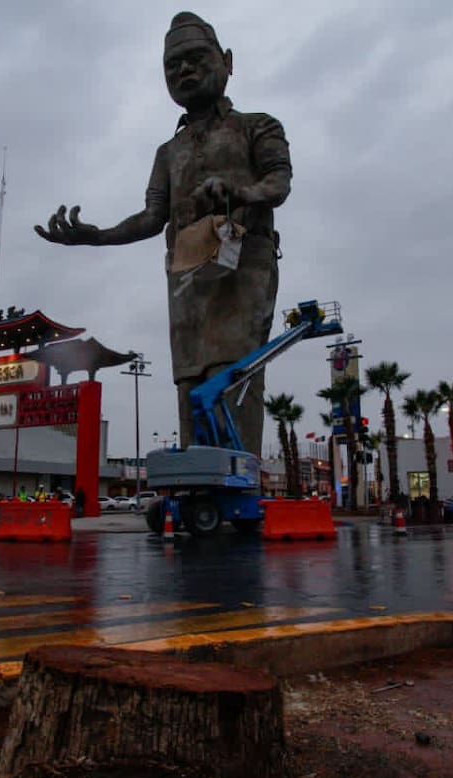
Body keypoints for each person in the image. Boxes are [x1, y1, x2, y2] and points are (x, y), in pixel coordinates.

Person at [35, 12, 291, 456]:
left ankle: (238, 479)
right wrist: (96, 236)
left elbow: (278, 183)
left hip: (242, 268)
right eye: (173, 65)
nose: (184, 70)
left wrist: (239, 191)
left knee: (233, 374)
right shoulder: (167, 152)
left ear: (227, 61)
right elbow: (153, 217)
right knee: (189, 380)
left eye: (195, 58)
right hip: (186, 276)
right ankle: (198, 482)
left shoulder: (257, 126)